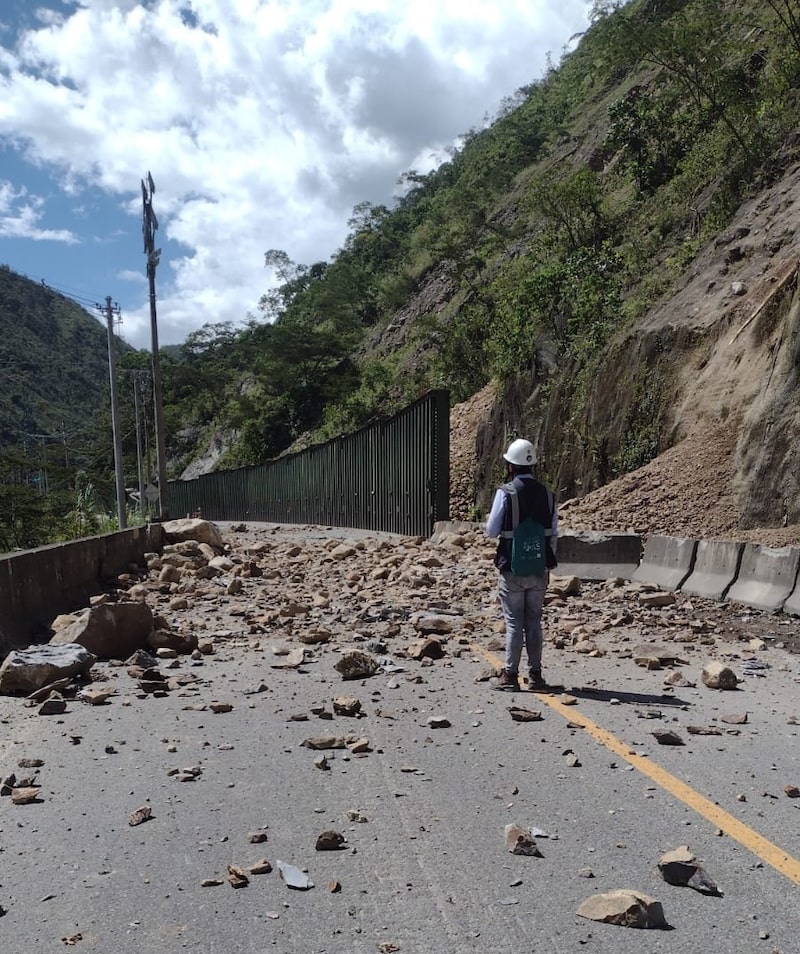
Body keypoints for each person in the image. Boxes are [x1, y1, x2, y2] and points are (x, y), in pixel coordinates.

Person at [485, 438, 558, 691]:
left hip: (512, 568)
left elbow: (492, 531)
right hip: (539, 568)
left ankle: (510, 676)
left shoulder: (505, 493)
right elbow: (553, 534)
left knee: (514, 622)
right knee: (534, 621)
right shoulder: (548, 495)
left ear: (510, 466)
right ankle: (536, 676)